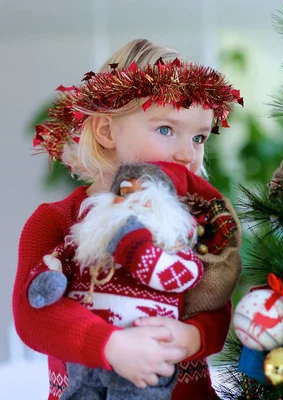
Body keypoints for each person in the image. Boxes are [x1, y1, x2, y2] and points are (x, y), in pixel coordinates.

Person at [13, 38, 243, 399]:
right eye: (166, 130)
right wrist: (111, 346)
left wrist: (192, 336)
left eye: (199, 137)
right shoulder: (56, 220)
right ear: (106, 131)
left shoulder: (194, 219)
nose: (187, 153)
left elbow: (215, 303)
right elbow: (33, 315)